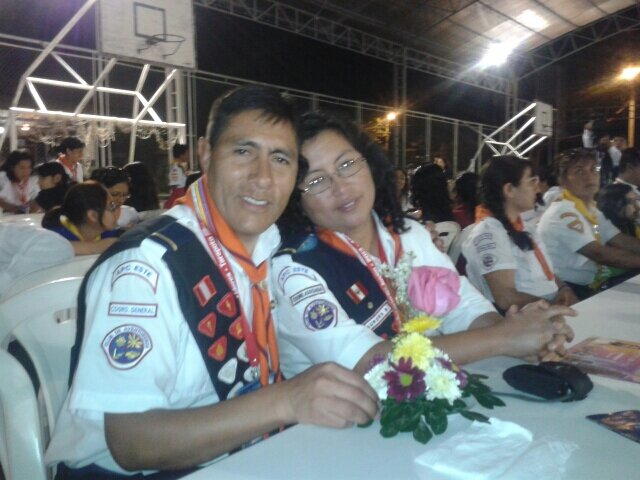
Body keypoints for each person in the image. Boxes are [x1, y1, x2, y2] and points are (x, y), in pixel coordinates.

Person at [45, 86, 379, 479]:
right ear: (205, 154)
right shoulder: (147, 267)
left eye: (280, 159)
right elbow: (131, 442)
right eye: (243, 152)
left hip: (243, 456)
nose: (262, 178)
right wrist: (286, 400)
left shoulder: (267, 249)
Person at [273, 111, 574, 380]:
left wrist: (525, 338)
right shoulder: (294, 269)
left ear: (369, 164)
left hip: (432, 395)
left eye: (347, 164)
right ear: (293, 198)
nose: (341, 187)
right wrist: (505, 338)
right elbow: (366, 363)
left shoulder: (409, 234)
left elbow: (463, 306)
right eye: (316, 182)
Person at [463, 156, 578, 313]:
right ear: (509, 190)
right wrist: (552, 305)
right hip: (522, 319)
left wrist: (563, 288)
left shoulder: (524, 227)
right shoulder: (489, 233)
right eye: (531, 182)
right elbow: (505, 298)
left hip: (545, 308)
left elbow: (543, 272)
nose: (537, 189)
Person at [538, 148, 640, 299]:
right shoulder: (562, 212)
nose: (589, 176)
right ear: (562, 180)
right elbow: (599, 253)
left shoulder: (591, 209)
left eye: (594, 169)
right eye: (579, 171)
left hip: (591, 285)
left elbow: (620, 240)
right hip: (565, 291)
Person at [42, 182, 120, 256]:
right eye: (112, 206)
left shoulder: (109, 234)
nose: (118, 210)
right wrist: (95, 247)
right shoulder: (54, 237)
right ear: (93, 215)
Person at [0, 150, 40, 214]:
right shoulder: (2, 178)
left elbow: (37, 199)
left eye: (29, 167)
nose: (26, 171)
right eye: (22, 168)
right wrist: (13, 209)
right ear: (12, 167)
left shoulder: (33, 181)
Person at [164, 143, 190, 209]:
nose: (188, 156)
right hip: (179, 196)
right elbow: (175, 186)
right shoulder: (176, 168)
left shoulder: (180, 166)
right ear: (181, 155)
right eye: (187, 154)